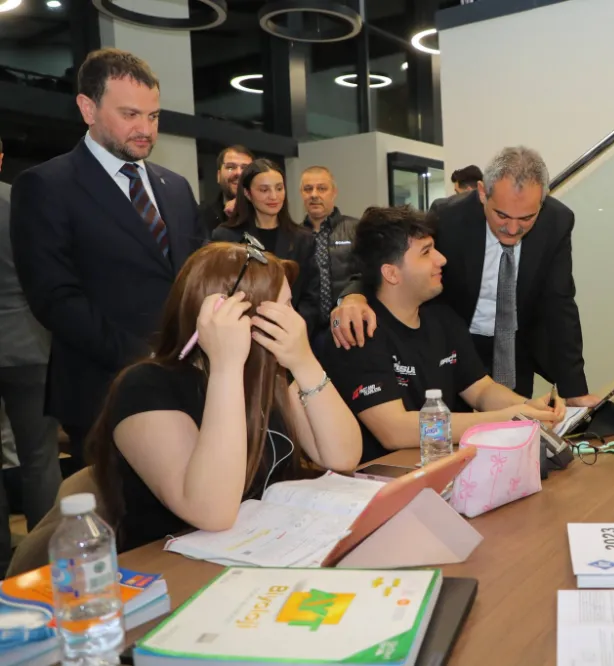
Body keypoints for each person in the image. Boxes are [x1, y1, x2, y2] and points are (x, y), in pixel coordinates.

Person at [87, 242, 362, 552]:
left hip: (267, 548)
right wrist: (226, 366)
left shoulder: (269, 373)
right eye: (284, 307)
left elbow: (342, 457)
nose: (294, 321)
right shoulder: (144, 387)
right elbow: (212, 511)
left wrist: (305, 362)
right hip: (173, 565)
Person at [10, 48, 205, 470]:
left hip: (188, 383)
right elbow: (55, 299)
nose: (146, 130)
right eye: (130, 114)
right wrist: (146, 359)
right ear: (87, 108)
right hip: (104, 391)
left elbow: (198, 275)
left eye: (153, 116)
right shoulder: (46, 186)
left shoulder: (175, 187)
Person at [331, 147, 600, 407]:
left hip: (514, 350)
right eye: (502, 215)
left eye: (527, 218)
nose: (512, 228)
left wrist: (574, 390)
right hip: (454, 344)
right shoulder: (448, 216)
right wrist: (354, 296)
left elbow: (560, 303)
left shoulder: (557, 221)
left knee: (517, 420)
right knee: (451, 420)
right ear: (482, 193)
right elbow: (388, 258)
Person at [318, 206, 565, 463]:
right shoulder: (359, 331)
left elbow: (481, 390)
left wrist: (528, 407)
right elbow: (394, 431)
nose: (441, 259)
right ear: (391, 273)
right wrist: (506, 419)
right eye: (426, 252)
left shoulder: (442, 318)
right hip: (385, 475)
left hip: (443, 466)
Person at [0, 138, 61, 573]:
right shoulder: (21, 202)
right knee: (40, 459)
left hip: (26, 345)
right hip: (29, 345)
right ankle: (44, 559)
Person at [213, 159, 323, 340]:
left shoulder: (302, 238)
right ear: (248, 194)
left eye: (279, 188)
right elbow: (218, 291)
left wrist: (292, 330)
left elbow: (311, 296)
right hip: (241, 335)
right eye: (264, 190)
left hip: (290, 335)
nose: (274, 196)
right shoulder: (226, 237)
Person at [299, 165, 359, 323]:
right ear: (301, 193)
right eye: (308, 189)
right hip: (307, 325)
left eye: (322, 188)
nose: (314, 195)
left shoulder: (356, 229)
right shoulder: (294, 236)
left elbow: (367, 275)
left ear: (334, 192)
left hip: (347, 321)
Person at [197, 145, 254, 234]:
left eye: (245, 168)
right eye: (230, 167)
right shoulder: (201, 216)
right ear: (218, 175)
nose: (239, 173)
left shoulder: (268, 213)